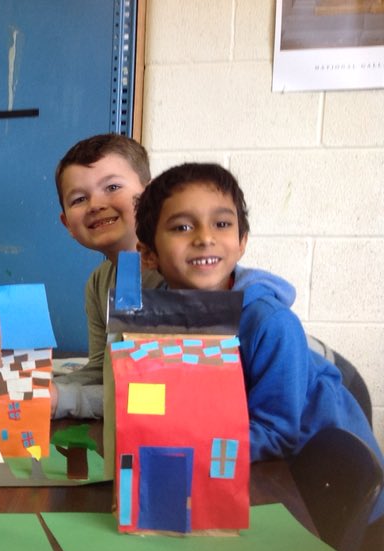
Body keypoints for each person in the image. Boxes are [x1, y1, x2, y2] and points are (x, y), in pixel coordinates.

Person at [134, 161, 384, 523]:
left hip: (317, 485)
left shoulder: (270, 322)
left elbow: (278, 433)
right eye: (182, 227)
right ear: (149, 254)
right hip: (240, 461)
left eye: (222, 224)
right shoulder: (162, 313)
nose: (205, 237)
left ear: (241, 242)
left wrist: (186, 443)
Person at [51, 133, 164, 418]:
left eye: (112, 186)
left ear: (151, 196)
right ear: (67, 223)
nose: (96, 204)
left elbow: (150, 396)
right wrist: (37, 389)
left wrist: (59, 399)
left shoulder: (172, 278)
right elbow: (104, 371)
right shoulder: (99, 283)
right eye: (78, 199)